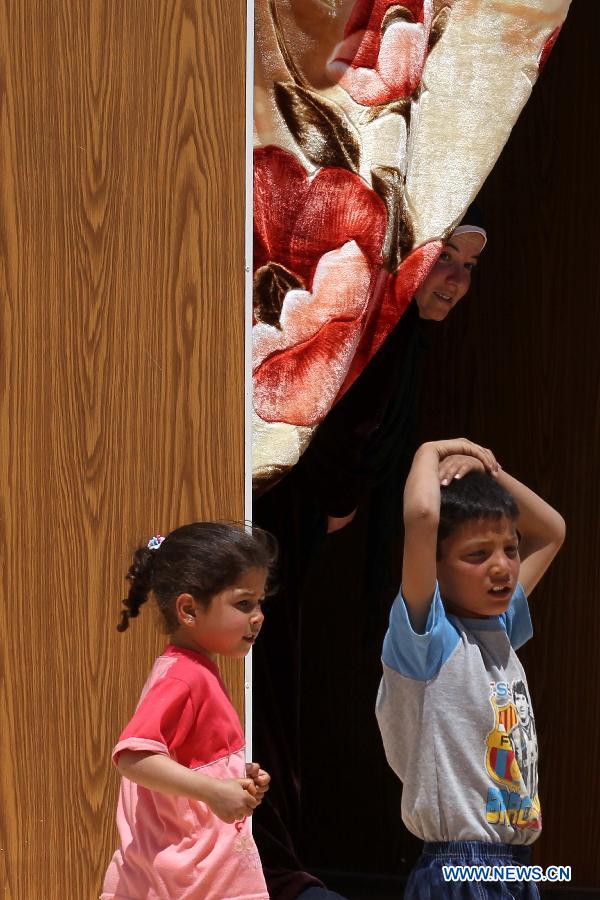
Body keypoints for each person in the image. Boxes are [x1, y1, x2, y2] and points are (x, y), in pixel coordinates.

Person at [252, 214, 487, 899]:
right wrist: (430, 457)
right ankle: (263, 865)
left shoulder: (499, 639)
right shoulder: (368, 336)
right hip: (454, 872)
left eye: (468, 272)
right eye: (446, 262)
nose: (457, 281)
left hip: (506, 869)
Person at [376, 439, 565, 898]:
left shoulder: (499, 628)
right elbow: (422, 518)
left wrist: (486, 469)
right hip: (458, 869)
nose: (502, 566)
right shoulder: (428, 641)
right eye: (477, 555)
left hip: (518, 866)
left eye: (509, 549)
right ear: (434, 569)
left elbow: (553, 530)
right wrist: (435, 451)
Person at [101, 521, 278, 900]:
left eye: (260, 601)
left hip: (198, 876)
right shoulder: (184, 677)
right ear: (188, 609)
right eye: (244, 603)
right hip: (191, 882)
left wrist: (235, 777)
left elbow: (185, 761)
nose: (258, 616)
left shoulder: (194, 670)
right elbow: (133, 757)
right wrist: (214, 791)